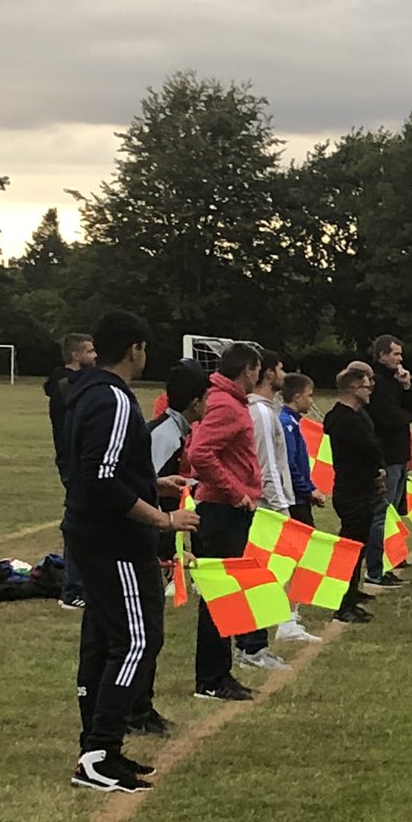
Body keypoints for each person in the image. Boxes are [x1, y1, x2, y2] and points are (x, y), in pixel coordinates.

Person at [59, 312, 200, 791]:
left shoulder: (86, 393)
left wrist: (153, 483)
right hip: (112, 540)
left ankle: (99, 750)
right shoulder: (114, 399)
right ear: (135, 348)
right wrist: (163, 518)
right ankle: (99, 752)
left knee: (104, 637)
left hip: (92, 533)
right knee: (137, 640)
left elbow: (100, 468)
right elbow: (100, 478)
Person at [124, 360, 211, 740]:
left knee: (151, 627)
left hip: (159, 533)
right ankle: (135, 709)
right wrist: (165, 514)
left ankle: (142, 706)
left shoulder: (178, 430)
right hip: (146, 536)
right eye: (208, 396)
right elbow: (136, 486)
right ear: (195, 402)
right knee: (145, 629)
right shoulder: (165, 434)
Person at [188, 342, 266, 702]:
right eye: (257, 369)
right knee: (219, 595)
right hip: (221, 512)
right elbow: (200, 453)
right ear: (247, 369)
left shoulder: (230, 402)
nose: (259, 376)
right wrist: (237, 492)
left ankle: (219, 674)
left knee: (225, 594)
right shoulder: (224, 403)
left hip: (228, 510)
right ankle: (211, 679)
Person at [246, 351, 317, 654]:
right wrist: (281, 505)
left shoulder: (267, 411)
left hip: (279, 499)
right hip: (272, 503)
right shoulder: (262, 413)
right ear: (268, 373)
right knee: (274, 566)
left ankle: (283, 623)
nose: (283, 373)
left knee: (282, 564)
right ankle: (276, 628)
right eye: (280, 368)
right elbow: (268, 465)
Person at [323, 363, 383, 624]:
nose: (370, 389)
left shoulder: (355, 416)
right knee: (350, 549)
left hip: (360, 489)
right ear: (353, 388)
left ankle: (350, 592)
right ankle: (342, 603)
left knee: (356, 548)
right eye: (366, 385)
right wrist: (377, 469)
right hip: (352, 492)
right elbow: (369, 451)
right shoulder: (346, 421)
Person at [363, 334, 412, 588]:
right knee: (381, 513)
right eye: (396, 354)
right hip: (387, 456)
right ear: (382, 355)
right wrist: (404, 415)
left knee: (393, 512)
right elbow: (390, 417)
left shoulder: (397, 381)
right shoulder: (376, 383)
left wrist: (407, 387)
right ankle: (375, 570)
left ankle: (391, 559)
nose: (400, 359)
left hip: (400, 455)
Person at [45, 332, 96, 609]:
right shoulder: (66, 387)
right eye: (89, 351)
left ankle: (83, 584)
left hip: (77, 462)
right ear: (76, 356)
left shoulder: (72, 384)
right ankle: (73, 590)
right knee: (79, 523)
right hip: (74, 463)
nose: (94, 356)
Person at [279, 372, 325, 529]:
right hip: (294, 500)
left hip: (299, 497)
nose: (311, 401)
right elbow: (289, 465)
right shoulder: (287, 424)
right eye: (309, 395)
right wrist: (308, 491)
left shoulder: (293, 422)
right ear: (297, 397)